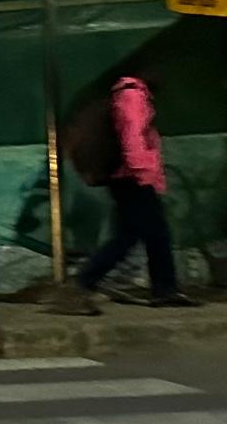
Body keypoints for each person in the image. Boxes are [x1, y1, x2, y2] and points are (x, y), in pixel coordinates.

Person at [60, 71, 201, 313]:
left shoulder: (125, 94)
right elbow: (133, 137)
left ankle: (165, 289)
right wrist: (144, 173)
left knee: (154, 234)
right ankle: (83, 282)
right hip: (132, 177)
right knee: (131, 237)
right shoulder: (132, 95)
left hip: (128, 177)